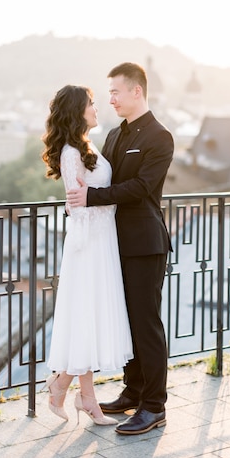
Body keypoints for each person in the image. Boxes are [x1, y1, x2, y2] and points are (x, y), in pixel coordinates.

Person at [66, 62, 174, 435]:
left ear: (136, 92)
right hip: (113, 243)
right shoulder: (112, 135)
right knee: (128, 322)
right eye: (108, 93)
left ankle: (155, 405)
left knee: (146, 324)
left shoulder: (160, 137)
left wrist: (90, 196)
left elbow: (141, 188)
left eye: (115, 91)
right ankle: (133, 392)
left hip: (145, 244)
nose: (110, 98)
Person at [41, 84, 133, 426]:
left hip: (102, 239)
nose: (97, 108)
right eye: (92, 103)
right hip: (89, 245)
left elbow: (89, 195)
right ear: (78, 109)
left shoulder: (87, 145)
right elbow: (77, 207)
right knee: (86, 317)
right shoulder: (70, 153)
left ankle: (72, 390)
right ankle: (77, 394)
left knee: (89, 320)